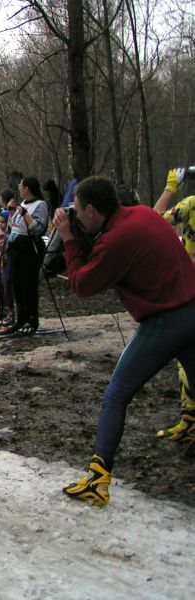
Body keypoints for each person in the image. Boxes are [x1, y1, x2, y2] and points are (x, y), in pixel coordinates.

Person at [53, 176, 195, 506]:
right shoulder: (144, 214)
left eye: (76, 209)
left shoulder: (116, 239)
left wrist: (68, 240)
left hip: (166, 321)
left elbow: (82, 285)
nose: (74, 215)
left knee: (116, 395)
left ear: (90, 209)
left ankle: (98, 480)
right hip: (191, 310)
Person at [153, 167, 195, 444]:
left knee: (187, 358)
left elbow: (153, 221)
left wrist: (171, 187)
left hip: (191, 289)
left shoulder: (192, 204)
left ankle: (189, 420)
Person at [7, 176, 49, 335]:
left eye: (21, 186)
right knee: (16, 284)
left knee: (27, 285)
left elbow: (38, 228)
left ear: (27, 188)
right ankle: (21, 319)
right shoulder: (23, 204)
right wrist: (12, 212)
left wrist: (24, 213)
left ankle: (32, 319)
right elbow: (13, 226)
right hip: (15, 250)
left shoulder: (40, 205)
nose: (19, 188)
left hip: (29, 251)